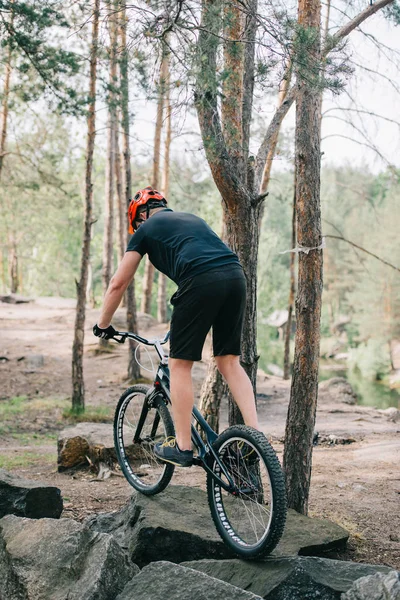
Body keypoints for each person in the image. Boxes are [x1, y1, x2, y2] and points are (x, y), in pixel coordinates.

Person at [93, 186, 259, 467]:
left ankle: (182, 446)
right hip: (235, 276)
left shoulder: (145, 230)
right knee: (229, 361)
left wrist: (103, 325)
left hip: (200, 280)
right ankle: (256, 439)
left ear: (141, 217)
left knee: (179, 365)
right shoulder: (193, 219)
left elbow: (117, 284)